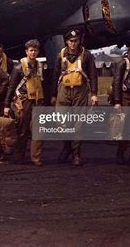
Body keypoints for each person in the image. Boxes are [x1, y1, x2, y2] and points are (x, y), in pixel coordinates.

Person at [51, 30, 98, 166]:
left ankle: (76, 153)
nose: (73, 43)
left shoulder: (86, 55)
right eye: (71, 41)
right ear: (67, 41)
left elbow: (93, 74)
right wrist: (53, 94)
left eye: (76, 40)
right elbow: (55, 75)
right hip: (63, 91)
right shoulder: (60, 55)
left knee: (78, 123)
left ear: (79, 41)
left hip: (80, 91)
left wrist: (94, 94)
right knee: (62, 122)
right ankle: (67, 147)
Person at [4, 39, 44, 166]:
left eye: (35, 50)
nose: (33, 53)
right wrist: (6, 105)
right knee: (23, 131)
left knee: (38, 130)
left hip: (38, 101)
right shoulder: (18, 67)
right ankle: (19, 156)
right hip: (24, 101)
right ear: (26, 51)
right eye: (31, 50)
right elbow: (11, 87)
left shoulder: (40, 66)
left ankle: (35, 158)